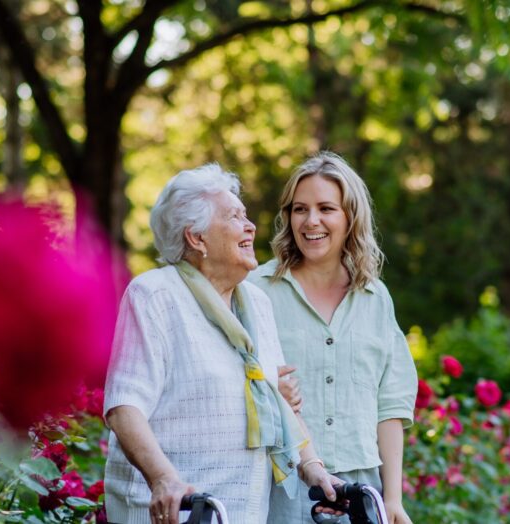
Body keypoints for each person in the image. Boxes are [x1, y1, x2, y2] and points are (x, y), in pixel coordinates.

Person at [103, 164, 340, 524]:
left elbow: (278, 401)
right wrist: (163, 478)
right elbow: (124, 406)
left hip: (242, 510)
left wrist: (313, 467)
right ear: (197, 238)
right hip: (177, 512)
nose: (251, 226)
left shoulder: (256, 303)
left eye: (246, 216)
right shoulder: (155, 295)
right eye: (234, 217)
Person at [250, 152, 418, 524]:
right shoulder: (255, 291)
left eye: (326, 208)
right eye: (299, 209)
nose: (311, 221)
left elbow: (389, 406)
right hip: (284, 487)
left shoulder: (375, 298)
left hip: (362, 492)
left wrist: (392, 499)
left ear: (350, 218)